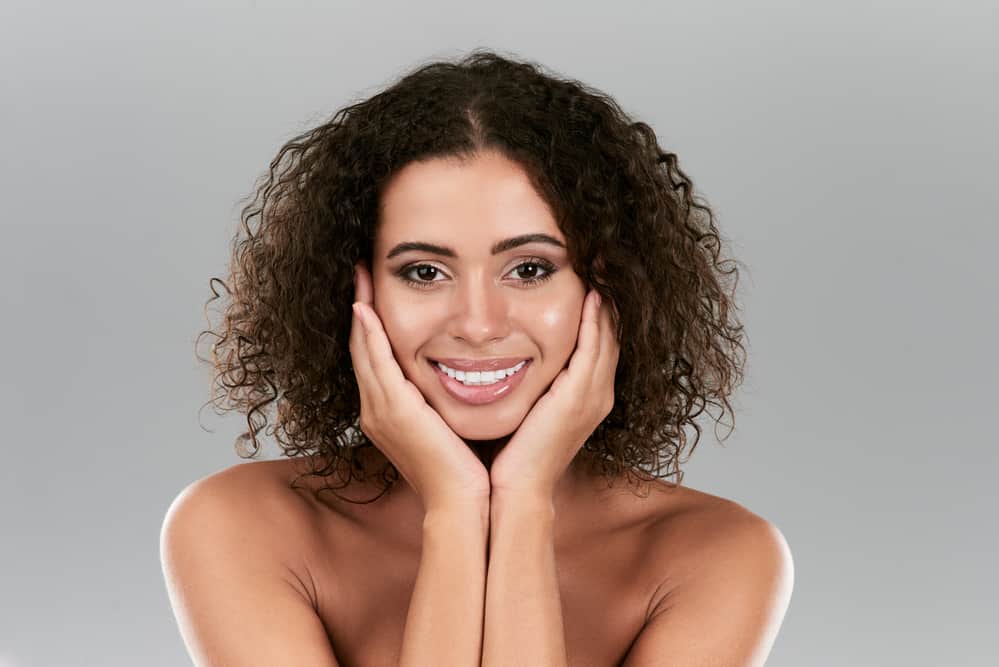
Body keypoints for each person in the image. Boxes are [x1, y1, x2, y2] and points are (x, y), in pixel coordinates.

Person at [160, 48, 793, 666]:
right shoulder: (239, 526)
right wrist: (456, 510)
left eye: (529, 268)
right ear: (353, 289)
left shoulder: (717, 555)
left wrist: (521, 505)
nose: (478, 324)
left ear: (608, 288)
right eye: (425, 271)